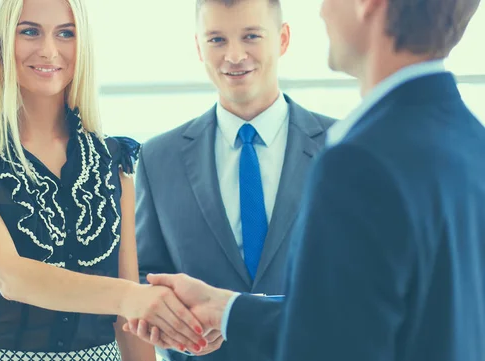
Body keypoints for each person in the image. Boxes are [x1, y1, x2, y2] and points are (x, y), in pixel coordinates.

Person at [127, 0, 485, 360]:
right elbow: (364, 324)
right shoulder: (472, 141)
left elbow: (330, 343)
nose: (323, 10)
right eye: (217, 39)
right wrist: (227, 310)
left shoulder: (356, 158)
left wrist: (231, 312)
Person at [0, 0, 209, 360]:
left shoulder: (115, 162)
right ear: (2, 43)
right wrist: (132, 297)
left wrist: (137, 301)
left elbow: (129, 321)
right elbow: (12, 277)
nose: (49, 50)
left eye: (65, 33)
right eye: (30, 31)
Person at [134, 0, 335, 359]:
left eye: (251, 36)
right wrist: (169, 320)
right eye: (217, 40)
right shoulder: (157, 158)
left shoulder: (343, 148)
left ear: (283, 39)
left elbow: (368, 283)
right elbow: (145, 280)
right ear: (198, 46)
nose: (235, 55)